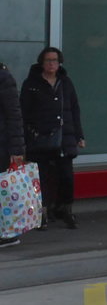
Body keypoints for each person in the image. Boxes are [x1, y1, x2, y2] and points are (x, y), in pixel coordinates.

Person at [20, 47, 85, 230]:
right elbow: (23, 111)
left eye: (55, 60)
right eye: (48, 60)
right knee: (41, 178)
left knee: (66, 177)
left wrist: (79, 135)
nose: (51, 64)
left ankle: (64, 208)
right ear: (42, 62)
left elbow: (74, 109)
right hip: (39, 138)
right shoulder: (32, 83)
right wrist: (25, 137)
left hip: (64, 138)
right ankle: (42, 213)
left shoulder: (65, 83)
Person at [0, 62, 27, 248]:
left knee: (5, 192)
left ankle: (8, 234)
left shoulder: (3, 77)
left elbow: (13, 114)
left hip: (2, 143)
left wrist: (16, 149)